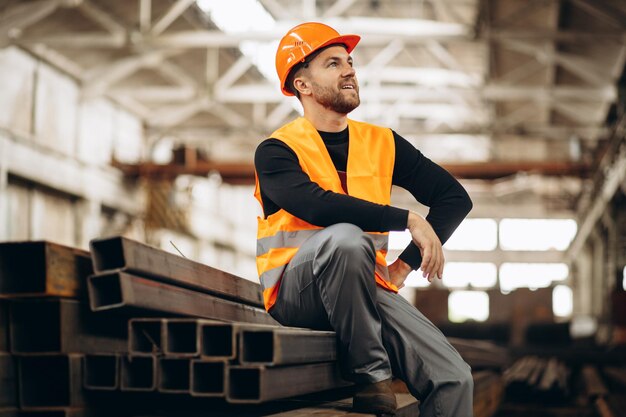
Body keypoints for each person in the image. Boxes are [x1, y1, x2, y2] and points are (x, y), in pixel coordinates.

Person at [253, 22, 474, 416]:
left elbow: (454, 198)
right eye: (333, 63)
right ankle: (373, 377)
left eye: (350, 62)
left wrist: (403, 268)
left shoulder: (382, 143)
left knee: (454, 378)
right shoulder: (277, 150)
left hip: (365, 286)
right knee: (346, 239)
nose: (349, 70)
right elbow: (318, 206)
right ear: (302, 85)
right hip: (297, 294)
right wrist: (407, 219)